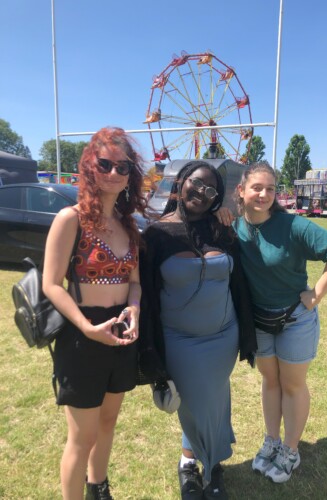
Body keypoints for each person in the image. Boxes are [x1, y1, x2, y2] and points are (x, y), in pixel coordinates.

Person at [216, 161, 327, 484]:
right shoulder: (234, 226)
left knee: (292, 384)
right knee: (270, 380)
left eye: (270, 189)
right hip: (259, 320)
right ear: (241, 190)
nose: (264, 194)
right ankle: (272, 440)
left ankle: (291, 449)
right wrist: (220, 215)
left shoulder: (293, 226)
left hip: (295, 318)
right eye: (257, 188)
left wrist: (316, 294)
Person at [139, 161, 257, 500]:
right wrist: (149, 350)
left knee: (215, 397)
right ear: (180, 182)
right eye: (196, 184)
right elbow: (147, 297)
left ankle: (192, 463)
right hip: (180, 340)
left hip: (224, 337)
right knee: (196, 402)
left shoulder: (221, 231)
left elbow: (239, 284)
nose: (201, 193)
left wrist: (246, 336)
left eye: (211, 191)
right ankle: (211, 464)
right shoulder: (157, 235)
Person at [43, 127, 147, 500]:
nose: (115, 173)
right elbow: (52, 284)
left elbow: (134, 281)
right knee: (82, 436)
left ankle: (97, 486)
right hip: (81, 335)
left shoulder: (128, 225)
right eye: (106, 164)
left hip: (119, 333)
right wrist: (87, 328)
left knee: (108, 421)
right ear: (89, 166)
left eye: (124, 167)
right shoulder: (70, 219)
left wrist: (133, 308)